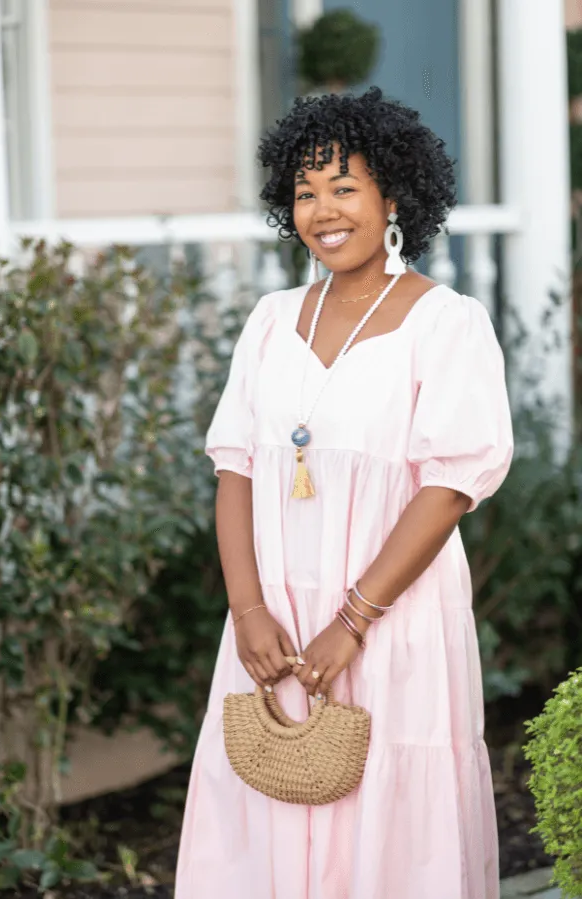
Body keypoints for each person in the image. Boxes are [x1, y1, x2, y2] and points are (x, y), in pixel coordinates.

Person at [174, 86, 513, 899]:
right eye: (303, 191)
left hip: (391, 622)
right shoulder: (269, 320)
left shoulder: (446, 323)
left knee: (389, 822)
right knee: (269, 797)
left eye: (344, 187)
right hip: (277, 623)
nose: (321, 209)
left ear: (393, 195)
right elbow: (236, 471)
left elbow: (449, 486)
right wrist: (249, 611)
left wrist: (354, 620)